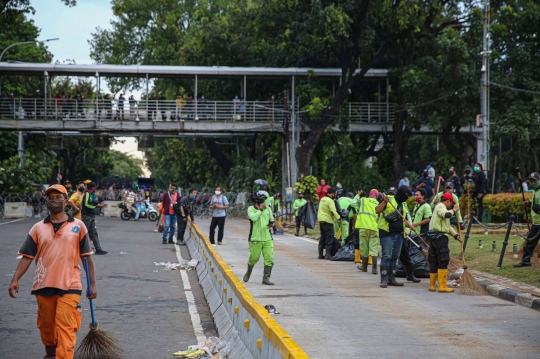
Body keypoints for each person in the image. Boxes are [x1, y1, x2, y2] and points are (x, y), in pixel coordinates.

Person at [8, 184, 96, 359]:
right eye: (50, 197)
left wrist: (92, 285)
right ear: (46, 202)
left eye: (58, 197)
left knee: (66, 328)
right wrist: (15, 279)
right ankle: (50, 352)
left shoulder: (78, 226)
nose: (54, 200)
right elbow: (27, 256)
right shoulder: (37, 228)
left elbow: (86, 258)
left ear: (65, 202)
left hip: (71, 284)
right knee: (47, 327)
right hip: (44, 284)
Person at [377, 186, 410, 288]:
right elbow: (377, 211)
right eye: (407, 195)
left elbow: (403, 219)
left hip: (399, 234)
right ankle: (383, 279)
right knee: (387, 256)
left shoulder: (403, 204)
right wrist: (384, 202)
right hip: (387, 233)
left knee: (395, 257)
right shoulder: (389, 200)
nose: (407, 197)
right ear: (402, 193)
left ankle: (392, 278)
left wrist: (409, 226)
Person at [428, 192, 462, 293]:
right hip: (440, 237)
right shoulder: (441, 206)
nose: (451, 206)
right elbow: (446, 215)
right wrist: (454, 210)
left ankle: (432, 286)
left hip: (434, 236)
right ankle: (442, 286)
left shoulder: (439, 208)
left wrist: (456, 235)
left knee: (433, 260)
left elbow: (448, 226)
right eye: (451, 203)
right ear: (447, 201)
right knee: (443, 259)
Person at [242, 191, 275, 285]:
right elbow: (253, 218)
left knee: (269, 258)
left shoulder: (268, 209)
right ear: (256, 199)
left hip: (267, 238)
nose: (263, 200)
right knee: (254, 258)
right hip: (255, 238)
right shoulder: (251, 209)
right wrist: (260, 210)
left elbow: (271, 219)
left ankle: (266, 278)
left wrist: (271, 224)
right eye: (261, 198)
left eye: (264, 198)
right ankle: (249, 271)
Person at [514, 172, 540, 268]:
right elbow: (535, 202)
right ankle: (526, 260)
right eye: (531, 181)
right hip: (536, 222)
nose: (533, 182)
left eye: (534, 180)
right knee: (530, 242)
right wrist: (528, 203)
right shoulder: (535, 190)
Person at [354, 189, 380, 274]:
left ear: (369, 195)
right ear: (376, 196)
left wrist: (358, 195)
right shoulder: (379, 204)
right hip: (374, 228)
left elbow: (353, 203)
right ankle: (374, 269)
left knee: (364, 247)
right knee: (374, 248)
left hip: (364, 227)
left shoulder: (363, 200)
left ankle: (364, 267)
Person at [82, 182, 108, 255]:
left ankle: (98, 249)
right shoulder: (87, 194)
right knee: (84, 233)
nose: (95, 188)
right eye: (94, 187)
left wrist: (98, 204)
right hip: (86, 216)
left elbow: (92, 202)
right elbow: (86, 204)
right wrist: (95, 207)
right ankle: (79, 248)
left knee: (94, 233)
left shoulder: (90, 194)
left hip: (91, 216)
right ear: (92, 187)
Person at [317, 187, 340, 259]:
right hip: (328, 221)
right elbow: (333, 211)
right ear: (332, 194)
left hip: (321, 220)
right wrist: (339, 218)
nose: (335, 195)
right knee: (329, 237)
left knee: (323, 237)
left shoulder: (322, 199)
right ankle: (328, 254)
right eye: (335, 194)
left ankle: (320, 254)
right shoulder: (330, 201)